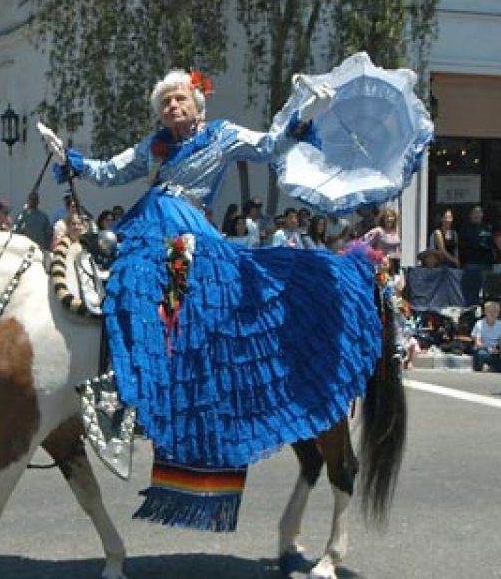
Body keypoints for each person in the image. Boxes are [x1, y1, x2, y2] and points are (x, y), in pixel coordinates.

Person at [33, 68, 379, 477]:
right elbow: (110, 170)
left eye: (179, 98)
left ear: (198, 104)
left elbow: (269, 147)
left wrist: (306, 114)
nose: (171, 106)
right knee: (108, 282)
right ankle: (116, 380)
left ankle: (168, 388)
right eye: (165, 103)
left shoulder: (222, 135)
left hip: (187, 233)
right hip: (145, 224)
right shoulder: (155, 147)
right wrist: (71, 161)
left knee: (175, 300)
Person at [457, 206, 493, 305]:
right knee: (471, 296)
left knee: (487, 295)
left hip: (486, 266)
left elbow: (490, 244)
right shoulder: (465, 229)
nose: (477, 215)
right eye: (475, 213)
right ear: (470, 215)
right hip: (471, 266)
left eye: (479, 212)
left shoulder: (487, 228)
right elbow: (464, 246)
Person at [363, 207, 402, 273]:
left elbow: (397, 247)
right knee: (384, 282)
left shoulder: (395, 231)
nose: (389, 219)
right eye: (387, 217)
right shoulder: (378, 231)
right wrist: (377, 256)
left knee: (395, 282)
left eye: (392, 216)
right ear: (383, 219)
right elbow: (365, 244)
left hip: (395, 262)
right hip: (382, 264)